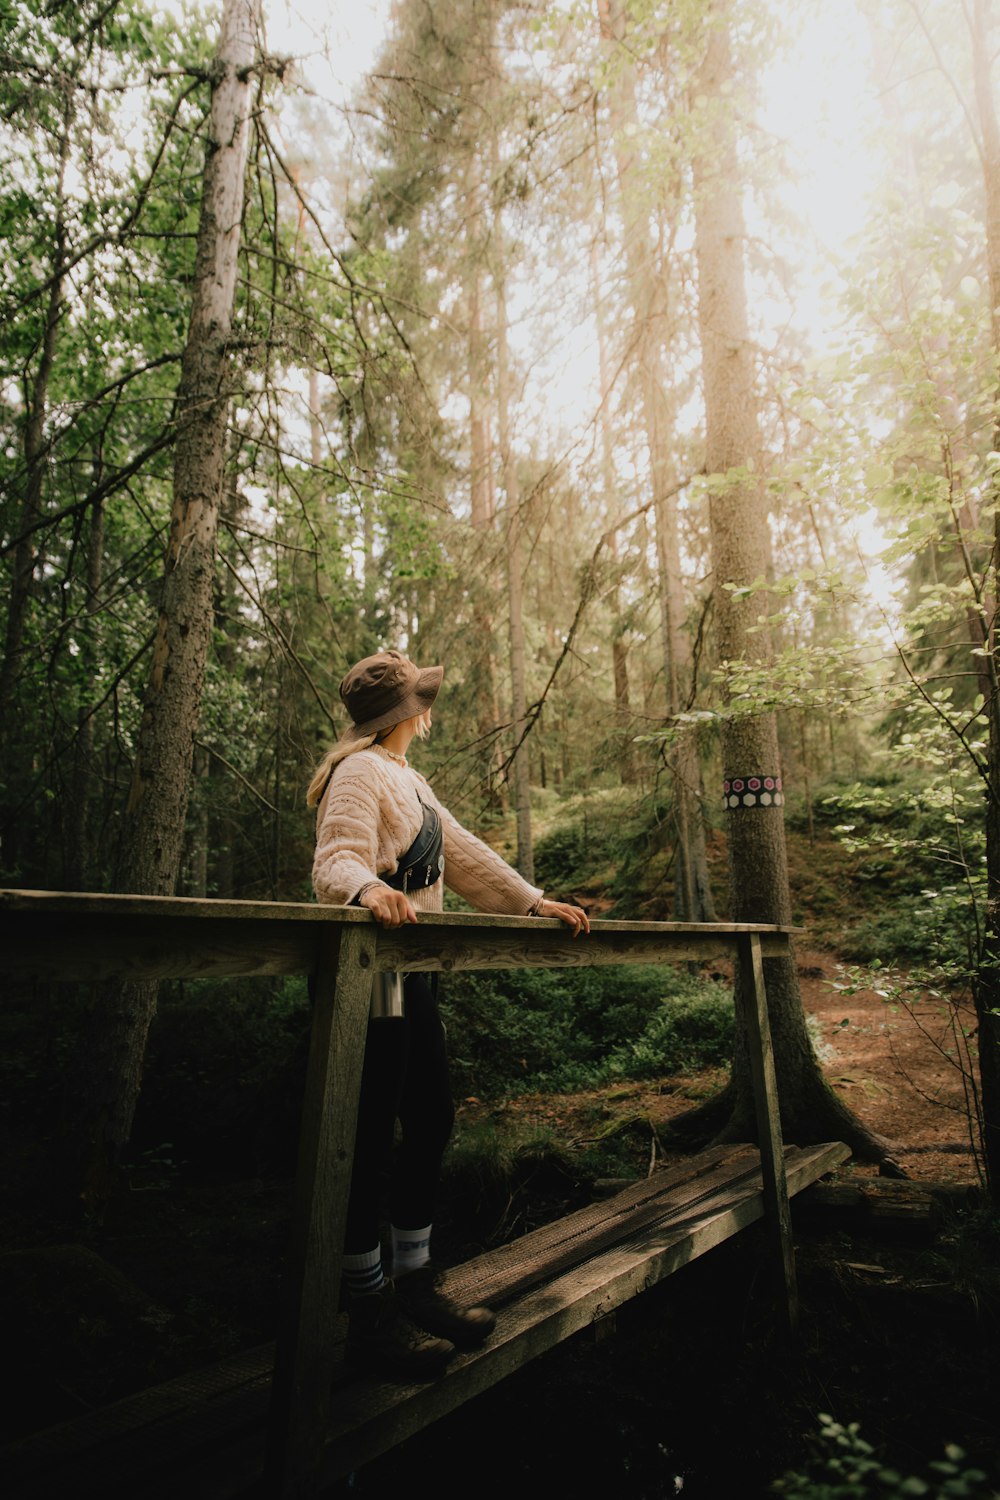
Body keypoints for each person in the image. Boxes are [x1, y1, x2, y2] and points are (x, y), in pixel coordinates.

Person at [308, 648, 590, 1378]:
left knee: (431, 1120)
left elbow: (462, 854)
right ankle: (368, 1312)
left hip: (415, 978)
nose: (429, 710)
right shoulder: (358, 773)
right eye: (422, 700)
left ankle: (416, 1283)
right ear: (410, 713)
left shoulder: (409, 779)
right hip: (369, 986)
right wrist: (368, 891)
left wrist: (533, 902)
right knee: (367, 1141)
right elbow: (336, 857)